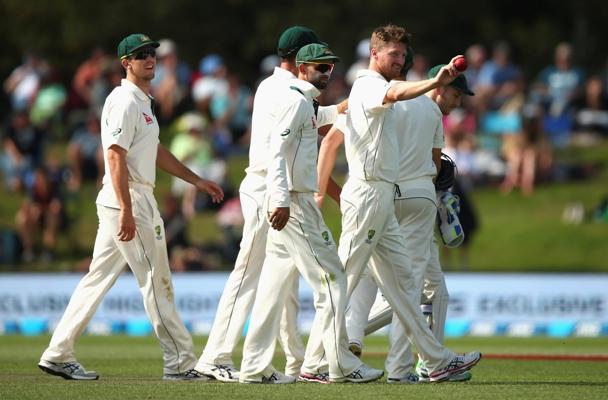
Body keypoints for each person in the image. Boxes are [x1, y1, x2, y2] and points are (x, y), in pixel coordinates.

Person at [38, 33, 224, 381]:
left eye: (152, 53)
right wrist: (126, 207)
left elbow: (154, 151)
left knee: (97, 278)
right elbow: (114, 155)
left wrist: (195, 180)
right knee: (156, 279)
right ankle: (180, 364)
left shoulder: (142, 101)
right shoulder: (124, 100)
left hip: (131, 197)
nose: (149, 59)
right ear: (126, 63)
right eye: (141, 55)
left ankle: (57, 353)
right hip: (130, 199)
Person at [315, 24, 481, 382]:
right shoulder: (372, 86)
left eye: (403, 55)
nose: (400, 60)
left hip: (383, 194)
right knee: (343, 278)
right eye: (393, 54)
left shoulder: (378, 91)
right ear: (374, 54)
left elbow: (329, 138)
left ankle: (435, 361)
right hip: (372, 190)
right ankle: (317, 362)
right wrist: (436, 83)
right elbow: (395, 95)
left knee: (403, 284)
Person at [238, 43, 383, 385]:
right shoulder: (294, 99)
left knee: (273, 287)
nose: (326, 73)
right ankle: (338, 365)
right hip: (294, 201)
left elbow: (318, 118)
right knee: (332, 280)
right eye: (319, 68)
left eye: (329, 68)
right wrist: (281, 200)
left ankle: (254, 366)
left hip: (296, 199)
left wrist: (346, 106)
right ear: (302, 68)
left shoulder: (304, 101)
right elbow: (277, 151)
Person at [193, 26, 327, 383]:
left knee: (280, 277)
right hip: (269, 187)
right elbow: (282, 149)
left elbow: (309, 127)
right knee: (250, 272)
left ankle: (291, 359)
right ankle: (215, 356)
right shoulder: (286, 90)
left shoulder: (276, 86)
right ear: (300, 59)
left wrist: (336, 112)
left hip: (274, 187)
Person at [348, 64, 476, 383]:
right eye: (455, 94)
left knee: (433, 291)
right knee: (408, 287)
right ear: (437, 85)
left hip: (383, 196)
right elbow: (433, 166)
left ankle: (423, 360)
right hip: (416, 199)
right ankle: (402, 365)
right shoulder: (428, 112)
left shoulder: (385, 104)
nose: (457, 102)